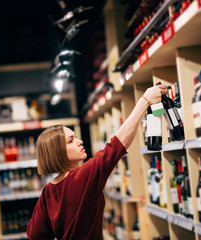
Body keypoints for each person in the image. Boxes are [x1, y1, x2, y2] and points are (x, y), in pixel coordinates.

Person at [27, 84, 167, 240]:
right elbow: (116, 147)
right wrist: (145, 100)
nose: (80, 141)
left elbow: (34, 235)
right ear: (58, 152)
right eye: (71, 140)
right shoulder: (81, 177)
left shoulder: (47, 192)